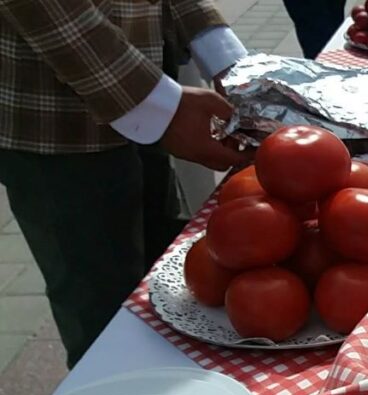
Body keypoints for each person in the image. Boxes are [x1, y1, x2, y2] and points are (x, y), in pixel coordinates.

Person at [0, 0, 252, 367]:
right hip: (56, 124)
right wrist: (155, 103)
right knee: (103, 320)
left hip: (143, 79)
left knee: (163, 291)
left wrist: (224, 56)